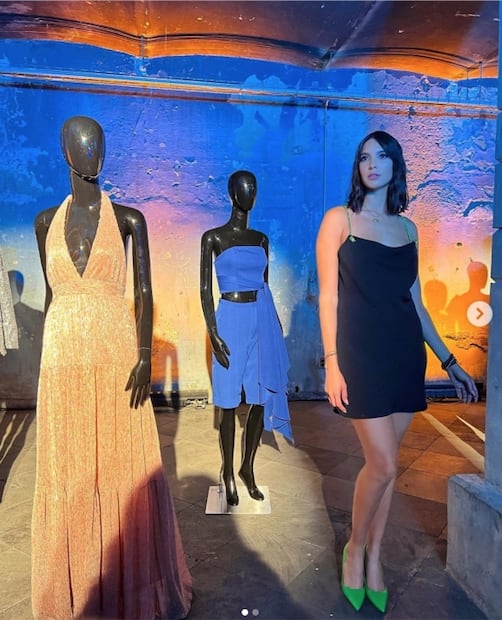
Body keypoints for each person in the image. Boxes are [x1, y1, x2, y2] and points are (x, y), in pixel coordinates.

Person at [32, 116, 192, 619]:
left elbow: (143, 291)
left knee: (123, 467)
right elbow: (51, 297)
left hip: (116, 354)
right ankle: (75, 587)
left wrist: (144, 354)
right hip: (62, 359)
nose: (92, 151)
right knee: (71, 470)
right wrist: (43, 369)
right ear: (66, 151)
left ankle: (130, 586)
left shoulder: (129, 219)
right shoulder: (44, 223)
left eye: (98, 142)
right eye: (82, 143)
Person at [316, 131, 478, 613]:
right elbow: (328, 298)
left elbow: (417, 305)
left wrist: (450, 361)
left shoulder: (408, 230)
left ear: (395, 166)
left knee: (385, 469)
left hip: (405, 355)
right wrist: (331, 363)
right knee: (383, 464)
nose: (372, 164)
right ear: (358, 167)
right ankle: (354, 549)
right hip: (359, 356)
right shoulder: (339, 220)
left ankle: (375, 558)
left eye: (382, 156)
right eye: (364, 157)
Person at [200, 170, 291, 507]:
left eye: (253, 187)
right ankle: (226, 470)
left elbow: (265, 285)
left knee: (259, 397)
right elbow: (205, 290)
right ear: (231, 192)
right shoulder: (213, 237)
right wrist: (213, 331)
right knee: (227, 401)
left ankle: (247, 468)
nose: (249, 193)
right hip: (229, 318)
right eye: (243, 187)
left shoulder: (261, 239)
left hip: (259, 319)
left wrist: (274, 329)